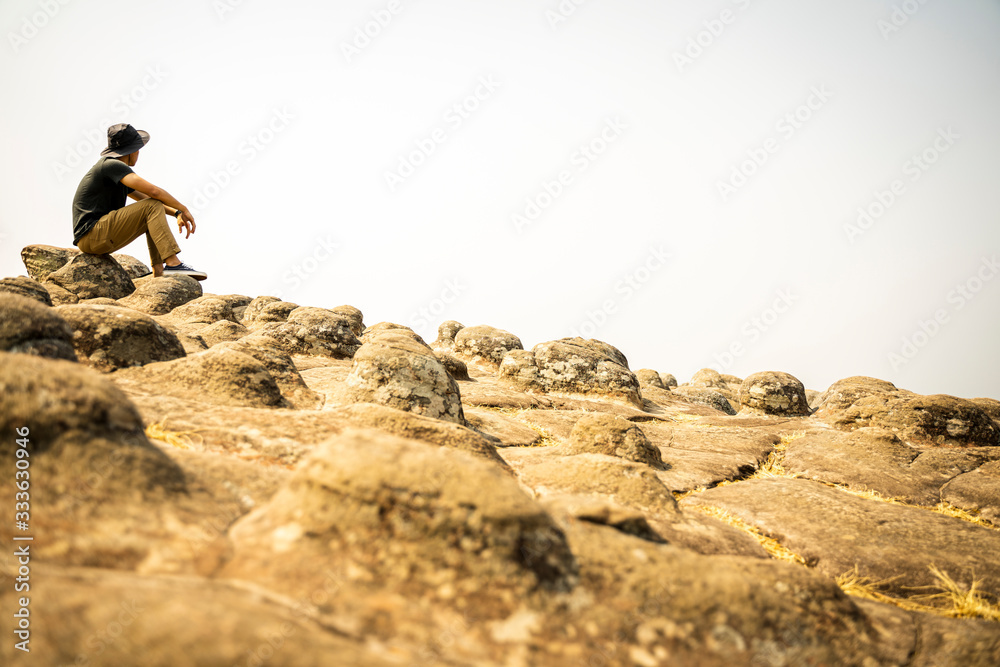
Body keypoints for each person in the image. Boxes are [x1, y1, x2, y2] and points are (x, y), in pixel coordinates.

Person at [72, 123, 207, 280]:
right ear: (131, 150)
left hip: (93, 238)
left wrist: (176, 213)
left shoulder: (116, 172)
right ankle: (173, 264)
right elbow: (153, 192)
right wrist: (184, 209)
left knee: (150, 211)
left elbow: (145, 198)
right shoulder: (111, 165)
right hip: (92, 233)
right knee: (152, 206)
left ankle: (159, 272)